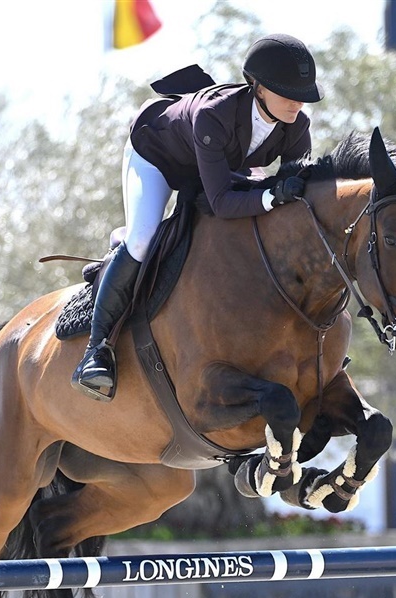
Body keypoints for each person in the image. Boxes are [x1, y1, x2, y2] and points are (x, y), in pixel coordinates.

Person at [72, 33, 324, 402]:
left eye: (301, 95)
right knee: (142, 238)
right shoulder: (214, 114)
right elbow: (221, 202)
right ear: (258, 87)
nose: (297, 103)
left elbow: (294, 195)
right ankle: (96, 352)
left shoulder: (297, 126)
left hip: (217, 164)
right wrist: (271, 196)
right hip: (157, 157)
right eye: (287, 94)